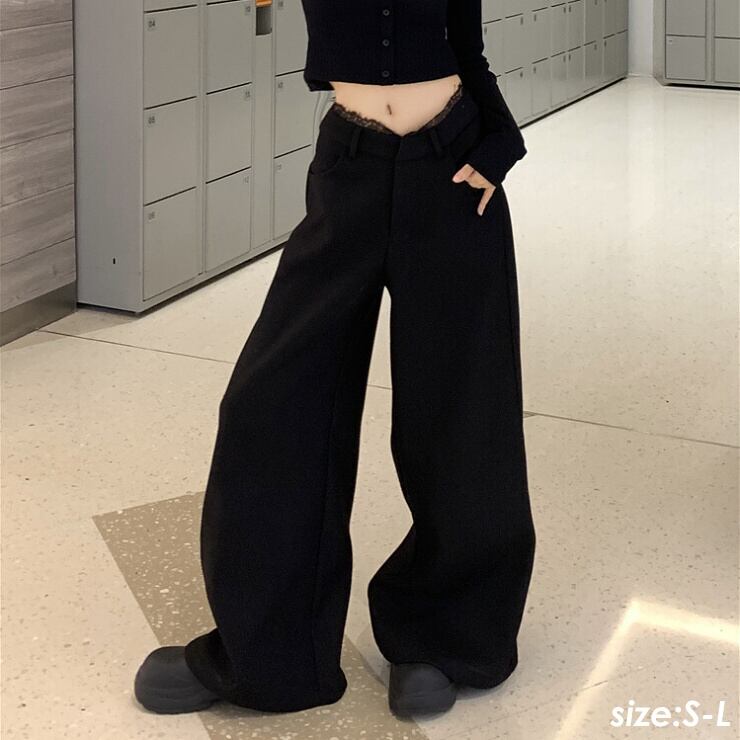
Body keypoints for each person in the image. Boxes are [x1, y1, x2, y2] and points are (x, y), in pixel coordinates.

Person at [134, 0, 537, 720]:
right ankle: (270, 651)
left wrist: (501, 143)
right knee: (272, 403)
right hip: (350, 167)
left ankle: (445, 638)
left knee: (462, 409)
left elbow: (467, 47)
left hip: (453, 172)